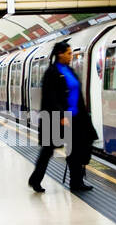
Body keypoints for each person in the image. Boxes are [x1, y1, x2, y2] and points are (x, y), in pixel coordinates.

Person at [29, 41, 97, 192]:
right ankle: (35, 180)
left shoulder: (69, 70)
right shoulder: (51, 72)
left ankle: (76, 182)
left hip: (75, 117)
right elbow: (50, 97)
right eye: (68, 53)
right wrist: (60, 115)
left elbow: (76, 94)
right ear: (60, 54)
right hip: (54, 118)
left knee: (76, 150)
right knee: (47, 151)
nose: (71, 56)